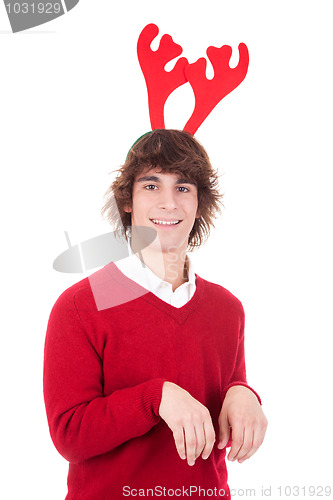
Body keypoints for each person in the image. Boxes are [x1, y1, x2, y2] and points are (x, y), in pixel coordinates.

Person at [43, 129, 268, 499]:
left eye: (183, 188)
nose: (169, 203)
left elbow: (224, 389)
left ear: (198, 203)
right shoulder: (82, 306)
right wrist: (155, 398)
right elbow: (69, 434)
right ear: (128, 201)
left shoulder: (227, 309)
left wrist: (243, 393)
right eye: (151, 186)